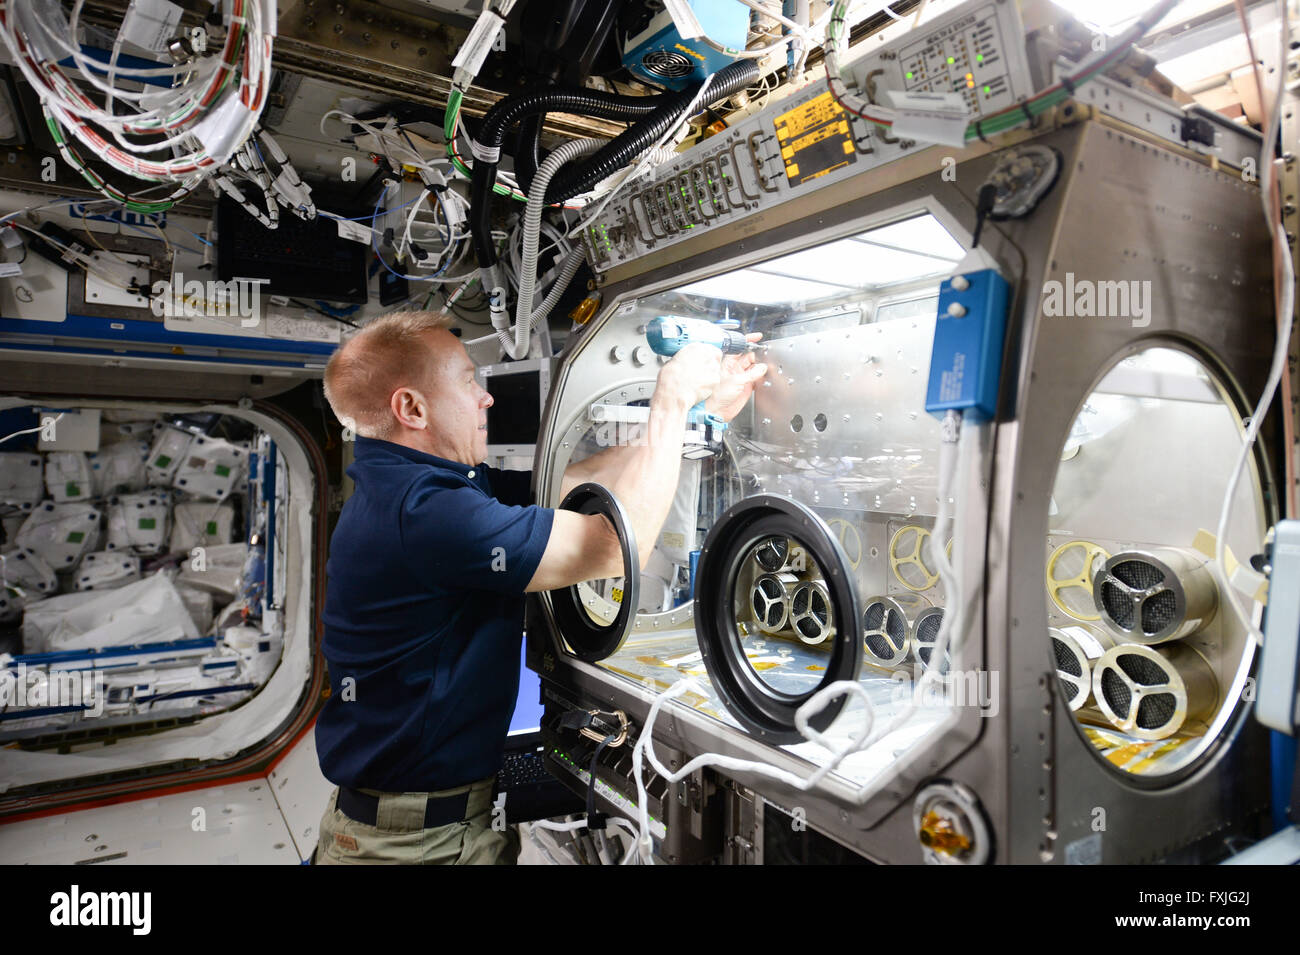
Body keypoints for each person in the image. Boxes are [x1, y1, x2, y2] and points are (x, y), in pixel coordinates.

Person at [312, 310, 766, 864]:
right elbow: (614, 550)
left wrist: (704, 417)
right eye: (467, 381)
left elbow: (571, 483)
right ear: (411, 408)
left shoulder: (421, 487)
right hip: (415, 846)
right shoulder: (427, 513)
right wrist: (669, 402)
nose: (487, 399)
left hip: (422, 824)